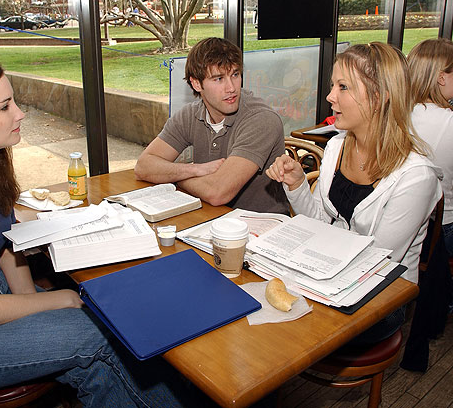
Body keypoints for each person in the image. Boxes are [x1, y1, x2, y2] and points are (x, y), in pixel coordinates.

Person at [0, 56, 209, 408]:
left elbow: (8, 245)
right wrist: (61, 300)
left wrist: (38, 302)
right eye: (5, 107)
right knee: (99, 332)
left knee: (103, 341)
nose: (20, 114)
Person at [266, 42, 442, 342]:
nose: (330, 96)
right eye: (333, 85)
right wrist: (296, 185)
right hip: (329, 276)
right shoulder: (335, 146)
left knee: (282, 330)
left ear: (379, 97)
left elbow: (375, 262)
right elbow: (322, 221)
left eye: (343, 87)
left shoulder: (416, 177)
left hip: (381, 300)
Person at [134, 37, 289, 214]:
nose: (231, 88)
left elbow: (217, 192)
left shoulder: (261, 119)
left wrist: (172, 178)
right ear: (196, 83)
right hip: (209, 218)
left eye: (235, 75)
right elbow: (144, 166)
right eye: (218, 79)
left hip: (263, 227)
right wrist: (196, 169)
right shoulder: (189, 115)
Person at [407, 38, 453, 256]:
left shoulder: (392, 116)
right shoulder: (448, 122)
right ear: (442, 78)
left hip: (406, 222)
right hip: (441, 231)